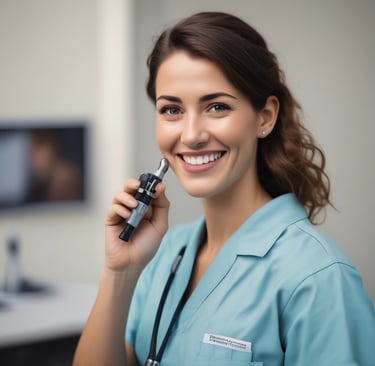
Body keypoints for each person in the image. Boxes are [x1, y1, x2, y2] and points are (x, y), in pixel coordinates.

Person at [73, 12, 375, 366]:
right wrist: (119, 272)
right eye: (171, 109)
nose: (191, 135)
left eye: (217, 107)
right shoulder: (164, 252)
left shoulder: (319, 277)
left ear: (265, 117)